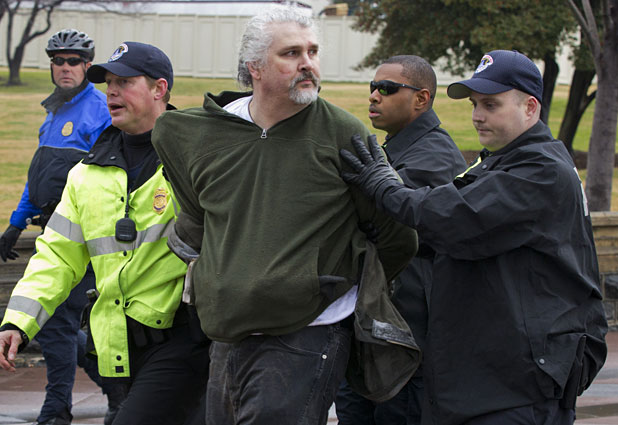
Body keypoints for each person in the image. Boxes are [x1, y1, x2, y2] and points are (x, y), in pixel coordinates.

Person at [151, 5, 417, 425]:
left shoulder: (343, 134)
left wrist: (322, 284)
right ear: (254, 67)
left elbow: (398, 234)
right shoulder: (201, 133)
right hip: (227, 330)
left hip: (308, 331)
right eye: (291, 53)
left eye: (312, 52)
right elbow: (197, 218)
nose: (307, 63)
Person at [339, 49, 608, 425]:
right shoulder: (504, 161)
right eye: (475, 104)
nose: (478, 115)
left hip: (519, 386)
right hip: (490, 378)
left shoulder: (541, 169)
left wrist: (382, 185)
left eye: (491, 105)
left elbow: (451, 216)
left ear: (530, 107)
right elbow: (460, 240)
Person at [0, 41, 209, 425]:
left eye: (124, 82)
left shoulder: (198, 157)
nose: (111, 91)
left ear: (159, 89)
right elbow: (57, 255)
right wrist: (18, 321)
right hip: (120, 349)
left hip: (185, 343)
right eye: (108, 82)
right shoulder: (85, 175)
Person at [0, 29, 123, 425]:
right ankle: (118, 392)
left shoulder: (100, 110)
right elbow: (38, 176)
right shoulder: (52, 112)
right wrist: (15, 224)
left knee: (56, 324)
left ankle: (56, 410)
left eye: (74, 61)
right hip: (52, 231)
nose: (65, 67)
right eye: (58, 60)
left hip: (85, 236)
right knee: (65, 327)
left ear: (87, 66)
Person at [336, 55, 466, 425]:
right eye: (373, 87)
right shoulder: (397, 147)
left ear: (421, 99)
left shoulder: (435, 154)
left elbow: (393, 223)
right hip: (377, 328)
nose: (374, 95)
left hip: (407, 334)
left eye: (388, 88)